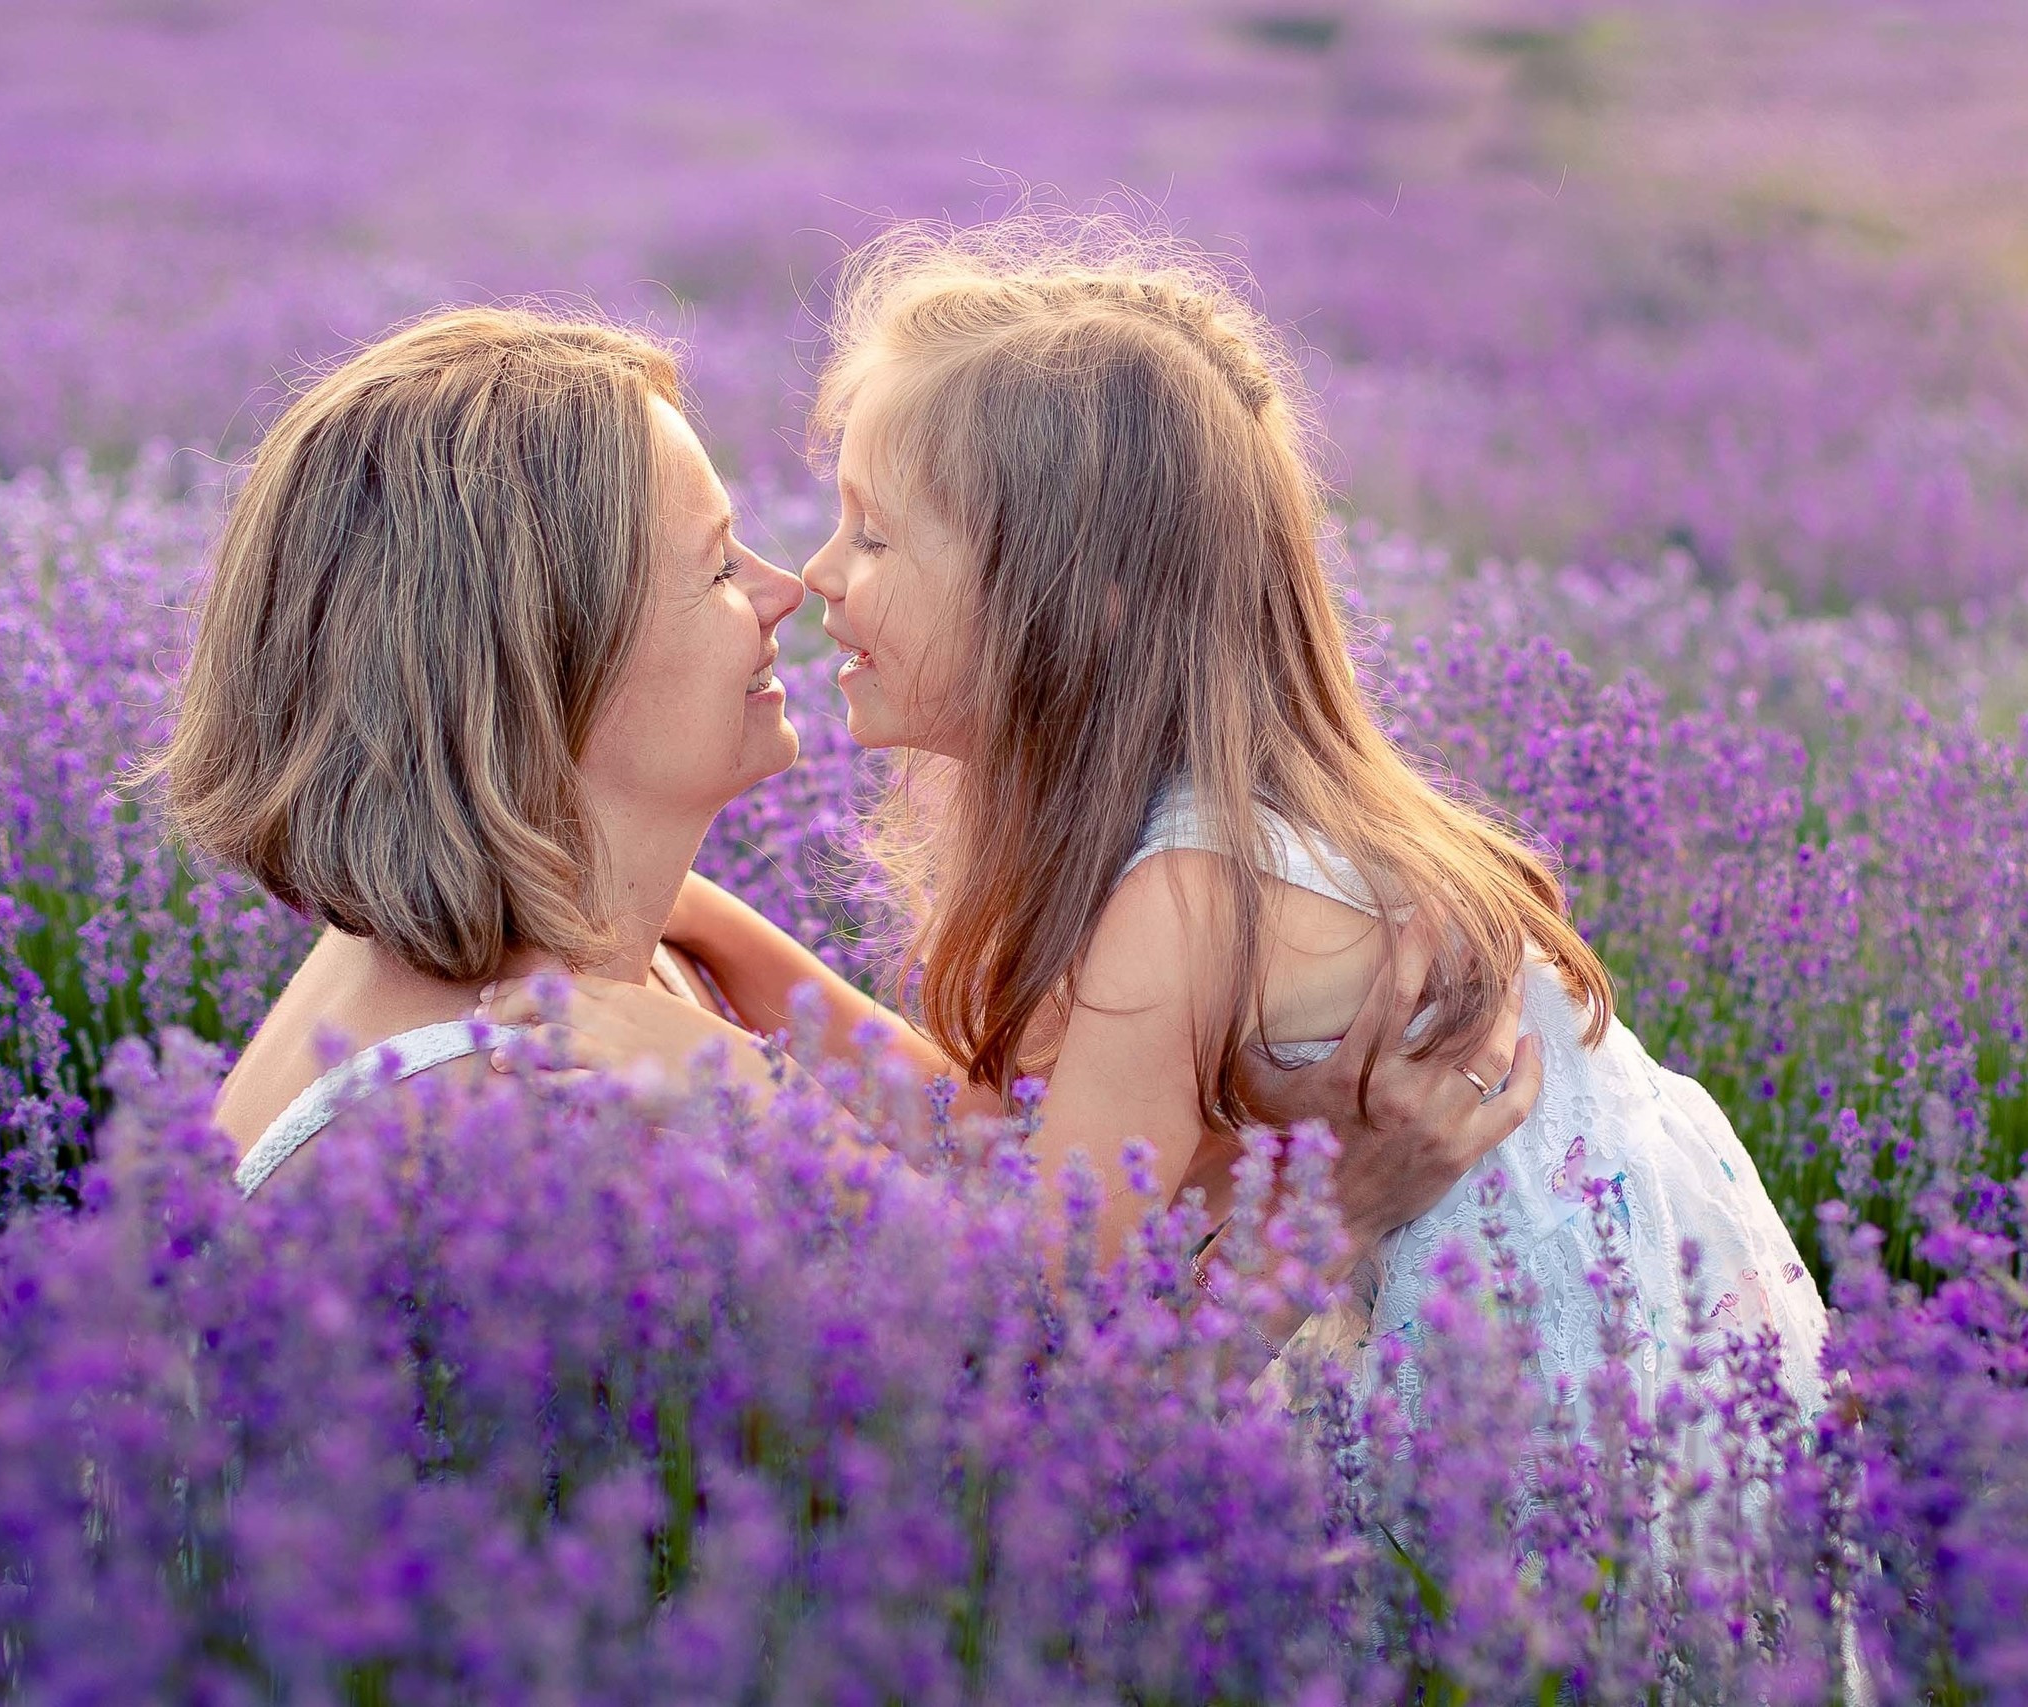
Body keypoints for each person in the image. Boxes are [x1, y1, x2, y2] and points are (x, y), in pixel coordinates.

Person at [481, 221, 1828, 1421]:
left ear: (1076, 603)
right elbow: (996, 1133)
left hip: (1546, 1439)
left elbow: (1051, 1360)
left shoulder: (1187, 898)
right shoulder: (1193, 838)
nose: (818, 577)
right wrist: (700, 924)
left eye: (876, 536)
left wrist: (732, 1082)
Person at [149, 303, 1524, 1290]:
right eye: (713, 563)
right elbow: (1021, 1406)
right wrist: (1336, 1219)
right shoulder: (513, 1105)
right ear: (535, 661)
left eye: (861, 535)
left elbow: (1000, 1174)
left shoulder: (632, 960)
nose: (789, 586)